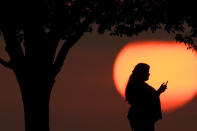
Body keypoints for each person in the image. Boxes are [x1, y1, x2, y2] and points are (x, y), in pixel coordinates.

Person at [125, 63, 167, 131]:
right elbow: (146, 101)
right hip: (143, 119)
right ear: (142, 73)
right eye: (147, 72)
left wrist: (159, 91)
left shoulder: (137, 85)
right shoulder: (139, 86)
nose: (149, 74)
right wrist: (158, 92)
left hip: (143, 119)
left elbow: (149, 98)